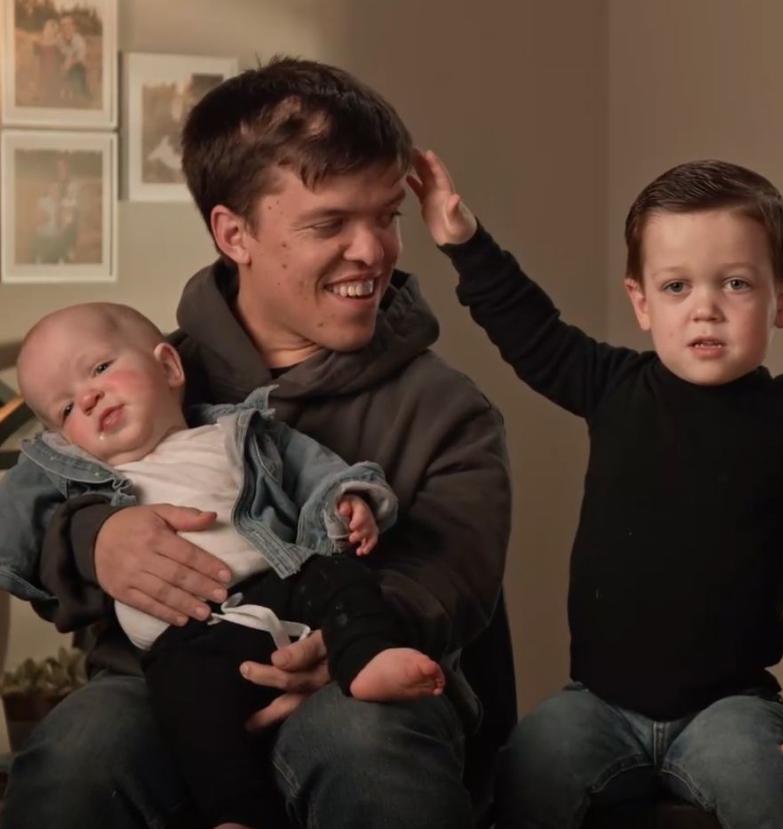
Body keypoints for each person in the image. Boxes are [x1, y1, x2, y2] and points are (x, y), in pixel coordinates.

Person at [0, 58, 512, 829]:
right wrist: (92, 538)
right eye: (330, 223)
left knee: (366, 743)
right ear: (233, 233)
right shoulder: (138, 379)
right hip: (155, 686)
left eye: (386, 216)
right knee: (79, 755)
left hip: (351, 682)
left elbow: (454, 576)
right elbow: (32, 504)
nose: (373, 251)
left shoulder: (448, 410)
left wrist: (350, 638)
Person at [409, 152, 783, 827]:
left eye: (737, 284)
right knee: (526, 769)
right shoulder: (612, 386)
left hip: (732, 705)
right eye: (677, 287)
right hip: (596, 702)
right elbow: (531, 332)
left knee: (771, 793)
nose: (706, 309)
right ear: (641, 301)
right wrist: (464, 241)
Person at [2, 302, 449, 829]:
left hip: (281, 600)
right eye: (67, 409)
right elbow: (12, 537)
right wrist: (91, 532)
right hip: (186, 639)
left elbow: (316, 471)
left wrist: (347, 498)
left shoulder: (241, 432)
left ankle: (368, 658)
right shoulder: (72, 473)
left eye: (99, 368)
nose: (90, 397)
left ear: (169, 367)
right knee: (192, 716)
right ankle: (237, 816)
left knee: (338, 576)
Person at [58, 14, 88, 105]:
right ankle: (61, 91)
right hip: (63, 63)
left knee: (76, 69)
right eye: (63, 25)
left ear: (73, 27)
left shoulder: (79, 40)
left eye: (68, 25)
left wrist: (67, 65)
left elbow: (80, 57)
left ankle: (75, 92)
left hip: (76, 65)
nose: (65, 28)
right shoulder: (59, 38)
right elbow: (56, 49)